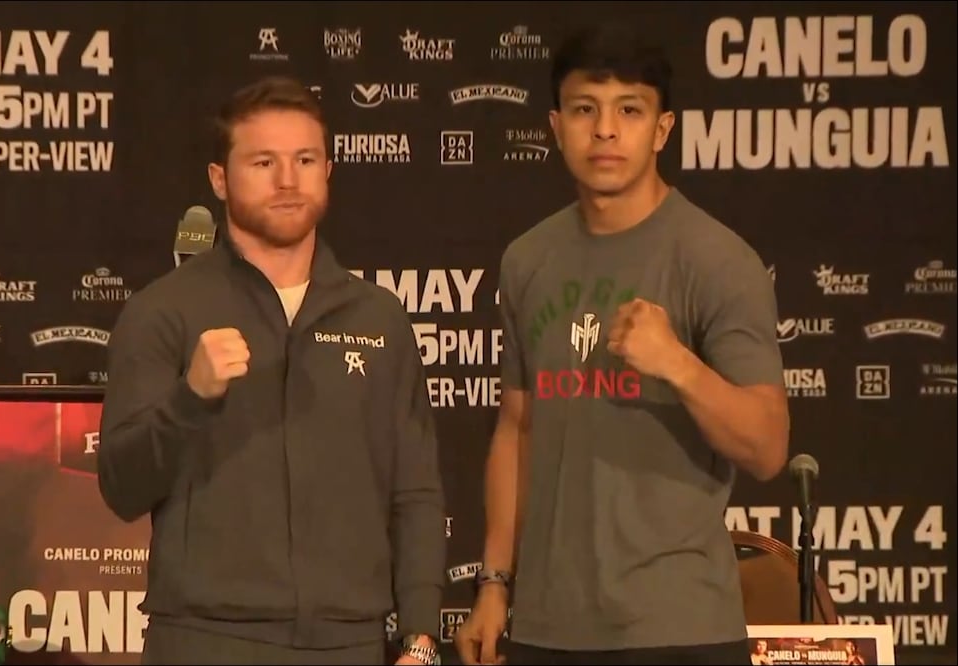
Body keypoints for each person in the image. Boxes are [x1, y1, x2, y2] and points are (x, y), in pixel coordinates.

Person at [454, 23, 789, 666]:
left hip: (679, 626)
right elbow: (517, 427)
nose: (605, 130)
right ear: (555, 127)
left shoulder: (717, 260)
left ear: (661, 130)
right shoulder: (527, 260)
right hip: (549, 627)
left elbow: (768, 446)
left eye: (629, 110)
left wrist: (678, 364)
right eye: (585, 109)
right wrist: (495, 583)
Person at [97, 75, 446, 666]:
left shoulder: (379, 317)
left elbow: (415, 491)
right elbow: (121, 488)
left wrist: (420, 636)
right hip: (205, 642)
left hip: (349, 643)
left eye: (305, 159)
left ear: (328, 170)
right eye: (263, 161)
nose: (288, 180)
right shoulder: (163, 311)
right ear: (218, 179)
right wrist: (191, 399)